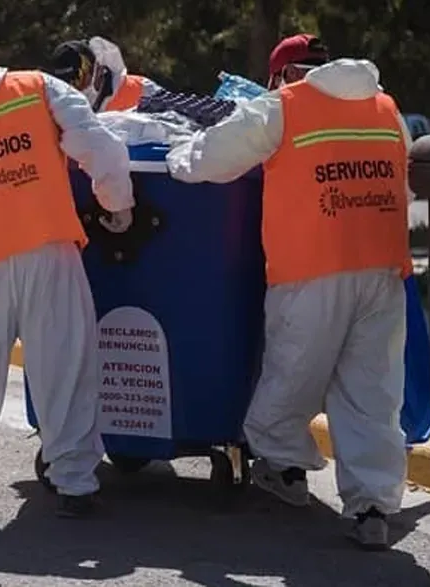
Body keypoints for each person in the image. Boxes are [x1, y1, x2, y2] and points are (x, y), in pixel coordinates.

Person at [164, 33, 412, 551]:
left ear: (284, 74)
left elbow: (214, 156)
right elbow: (404, 183)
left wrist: (175, 158)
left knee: (292, 375)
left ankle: (283, 466)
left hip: (311, 271)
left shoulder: (284, 107)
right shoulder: (387, 109)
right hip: (382, 270)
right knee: (371, 391)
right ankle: (372, 506)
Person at [0, 24, 136, 519]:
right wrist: (117, 203)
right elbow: (97, 143)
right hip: (48, 249)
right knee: (64, 367)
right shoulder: (37, 86)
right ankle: (75, 485)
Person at [48, 36, 162, 112]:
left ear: (98, 69)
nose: (74, 90)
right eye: (65, 86)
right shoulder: (62, 113)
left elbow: (172, 122)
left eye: (79, 82)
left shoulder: (141, 89)